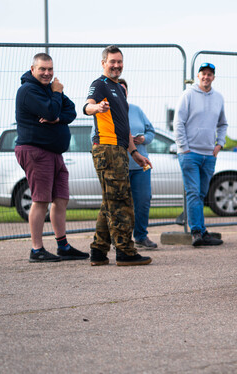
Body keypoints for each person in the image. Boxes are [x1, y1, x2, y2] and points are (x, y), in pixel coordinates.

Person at [14, 53, 89, 263]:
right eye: (42, 69)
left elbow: (71, 111)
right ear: (32, 69)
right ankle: (36, 250)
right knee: (40, 201)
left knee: (61, 199)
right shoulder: (28, 90)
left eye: (50, 69)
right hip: (36, 151)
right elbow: (50, 109)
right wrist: (56, 97)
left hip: (54, 153)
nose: (47, 73)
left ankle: (63, 246)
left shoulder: (48, 89)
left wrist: (56, 117)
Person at [83, 45, 152, 266]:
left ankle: (98, 252)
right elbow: (86, 106)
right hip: (107, 149)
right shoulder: (100, 85)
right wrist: (96, 108)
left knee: (109, 202)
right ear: (103, 63)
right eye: (112, 61)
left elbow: (125, 129)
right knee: (121, 201)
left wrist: (135, 153)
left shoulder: (119, 90)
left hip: (121, 150)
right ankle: (125, 251)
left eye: (119, 62)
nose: (116, 65)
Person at [175, 62, 228, 246]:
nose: (206, 77)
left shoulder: (218, 98)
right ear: (198, 76)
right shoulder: (188, 95)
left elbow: (223, 124)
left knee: (201, 193)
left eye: (210, 74)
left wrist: (218, 146)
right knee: (193, 192)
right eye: (203, 74)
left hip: (209, 155)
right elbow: (178, 122)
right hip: (190, 154)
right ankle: (197, 232)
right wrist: (184, 147)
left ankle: (200, 228)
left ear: (213, 77)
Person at [117, 79, 157, 250]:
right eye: (118, 89)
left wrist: (143, 139)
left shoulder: (136, 110)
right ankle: (121, 239)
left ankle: (141, 236)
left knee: (143, 200)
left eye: (124, 90)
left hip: (140, 165)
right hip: (119, 166)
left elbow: (151, 131)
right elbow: (94, 138)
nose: (121, 92)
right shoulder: (106, 112)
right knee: (120, 204)